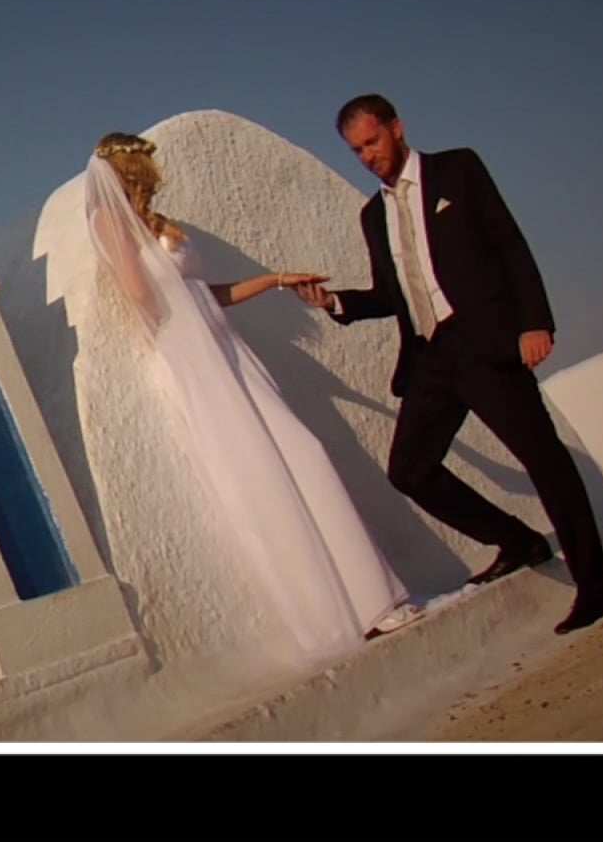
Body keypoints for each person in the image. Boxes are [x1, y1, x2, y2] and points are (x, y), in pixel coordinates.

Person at [83, 131, 425, 665]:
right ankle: (344, 613)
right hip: (193, 362)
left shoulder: (155, 224)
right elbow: (138, 292)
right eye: (143, 162)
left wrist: (273, 280)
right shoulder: (110, 222)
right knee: (267, 475)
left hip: (227, 352)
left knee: (302, 454)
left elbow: (202, 294)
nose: (153, 169)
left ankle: (375, 598)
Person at [291, 94, 603, 635]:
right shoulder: (373, 215)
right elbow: (390, 294)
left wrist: (535, 323)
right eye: (356, 151)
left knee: (545, 461)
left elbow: (509, 246)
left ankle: (597, 587)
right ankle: (518, 541)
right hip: (429, 360)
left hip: (486, 346)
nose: (366, 157)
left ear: (397, 129)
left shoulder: (458, 169)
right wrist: (334, 303)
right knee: (409, 471)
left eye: (372, 142)